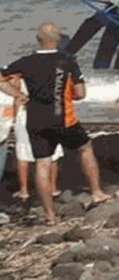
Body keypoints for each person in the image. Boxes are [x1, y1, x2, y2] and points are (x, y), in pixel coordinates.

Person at [0, 22, 111, 223]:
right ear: (58, 39)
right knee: (85, 148)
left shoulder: (26, 61)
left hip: (36, 120)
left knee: (42, 162)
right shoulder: (66, 60)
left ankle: (50, 216)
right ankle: (96, 192)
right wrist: (69, 95)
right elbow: (80, 92)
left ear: (38, 39)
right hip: (64, 118)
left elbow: (1, 77)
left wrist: (18, 95)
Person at [9, 75, 64, 200]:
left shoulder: (21, 76)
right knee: (53, 152)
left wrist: (14, 118)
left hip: (26, 114)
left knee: (22, 151)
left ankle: (24, 190)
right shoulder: (53, 75)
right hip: (48, 114)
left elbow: (17, 98)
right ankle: (53, 187)